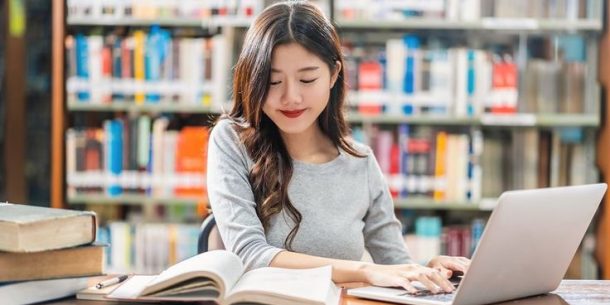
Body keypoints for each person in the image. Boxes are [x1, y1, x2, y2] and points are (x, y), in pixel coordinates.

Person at [207, 0, 470, 295]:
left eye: (307, 79)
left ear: (333, 75)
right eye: (272, 81)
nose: (291, 96)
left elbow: (394, 264)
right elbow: (251, 255)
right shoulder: (231, 140)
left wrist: (429, 270)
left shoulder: (360, 162)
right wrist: (366, 271)